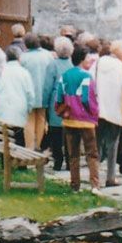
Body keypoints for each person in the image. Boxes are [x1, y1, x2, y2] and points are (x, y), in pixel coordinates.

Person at [54, 46, 101, 191]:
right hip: (85, 119)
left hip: (69, 119)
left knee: (72, 154)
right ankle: (94, 184)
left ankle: (75, 184)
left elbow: (59, 96)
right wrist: (94, 112)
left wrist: (62, 110)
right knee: (91, 153)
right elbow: (87, 98)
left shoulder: (65, 75)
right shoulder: (87, 77)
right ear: (82, 59)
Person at [94, 40, 122, 188]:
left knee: (96, 143)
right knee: (113, 144)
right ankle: (111, 176)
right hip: (115, 110)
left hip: (98, 109)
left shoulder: (99, 63)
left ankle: (95, 175)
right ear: (117, 51)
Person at [0, 46, 38, 145]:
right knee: (18, 138)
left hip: (2, 111)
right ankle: (17, 158)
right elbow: (30, 94)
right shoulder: (24, 73)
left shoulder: (0, 72)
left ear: (6, 58)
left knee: (3, 139)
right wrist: (29, 108)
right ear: (19, 58)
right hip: (19, 110)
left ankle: (4, 159)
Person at [20, 35, 58, 152]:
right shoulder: (48, 55)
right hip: (44, 91)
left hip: (29, 91)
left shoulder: (23, 57)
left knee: (29, 119)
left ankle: (29, 146)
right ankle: (38, 145)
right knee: (41, 118)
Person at [44, 36, 74, 172]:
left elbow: (47, 86)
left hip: (56, 100)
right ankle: (69, 161)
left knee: (55, 132)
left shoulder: (53, 64)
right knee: (69, 133)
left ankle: (58, 160)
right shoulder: (72, 64)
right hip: (70, 100)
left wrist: (45, 103)